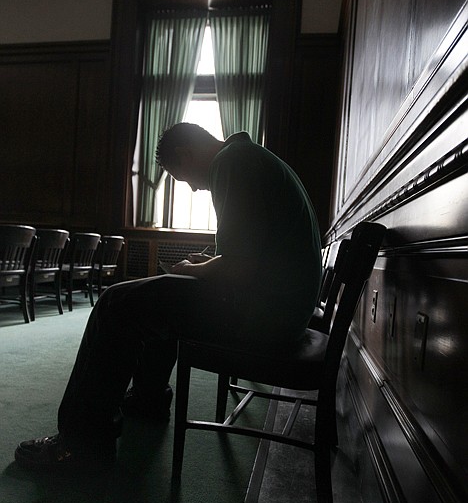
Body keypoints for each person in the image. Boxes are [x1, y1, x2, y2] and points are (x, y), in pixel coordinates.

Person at [15, 124, 322, 470]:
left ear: (188, 154)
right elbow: (251, 256)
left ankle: (82, 444)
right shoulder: (248, 158)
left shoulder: (231, 163)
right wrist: (201, 265)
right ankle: (147, 401)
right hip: (282, 310)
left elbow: (238, 268)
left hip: (265, 315)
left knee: (115, 303)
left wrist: (192, 270)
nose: (192, 186)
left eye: (183, 176)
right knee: (160, 298)